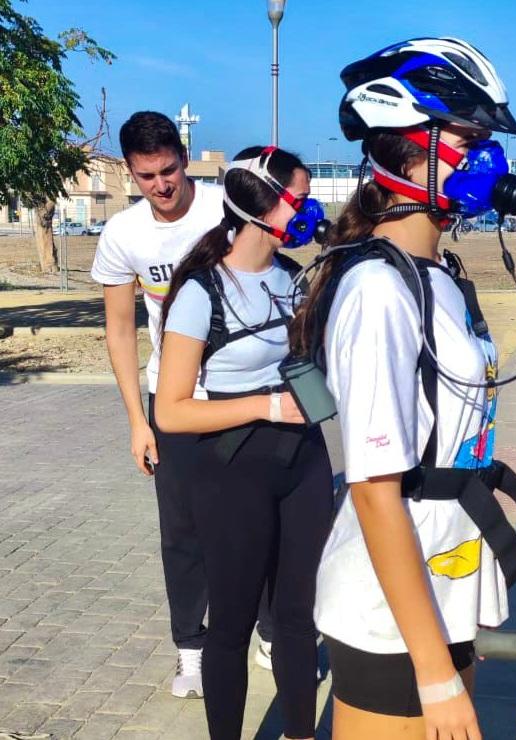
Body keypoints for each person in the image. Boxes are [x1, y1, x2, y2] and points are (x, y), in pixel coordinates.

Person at [291, 37, 516, 740]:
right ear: (408, 143)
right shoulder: (378, 288)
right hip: (390, 612)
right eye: (470, 137)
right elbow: (375, 490)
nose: (488, 158)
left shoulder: (438, 271)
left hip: (444, 582)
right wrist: (434, 675)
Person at [155, 145, 334, 740]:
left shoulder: (293, 278)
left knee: (297, 616)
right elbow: (172, 412)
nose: (309, 209)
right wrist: (267, 406)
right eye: (301, 198)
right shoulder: (201, 293)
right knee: (231, 624)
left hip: (303, 461)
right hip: (232, 471)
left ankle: (300, 733)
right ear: (260, 206)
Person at [91, 111, 223, 697]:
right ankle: (190, 650)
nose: (161, 186)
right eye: (147, 176)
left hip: (245, 394)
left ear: (184, 158)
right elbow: (120, 330)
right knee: (183, 532)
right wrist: (136, 422)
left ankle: (272, 631)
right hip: (170, 400)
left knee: (261, 519)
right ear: (129, 173)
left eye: (169, 170)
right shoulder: (123, 234)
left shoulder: (227, 209)